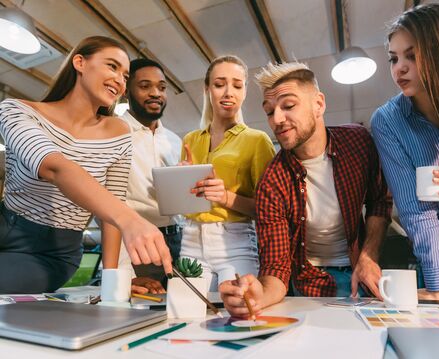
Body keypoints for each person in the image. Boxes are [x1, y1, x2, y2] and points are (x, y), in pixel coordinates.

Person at [0, 36, 172, 294]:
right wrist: (131, 221)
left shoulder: (119, 133)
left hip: (49, 251)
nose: (120, 81)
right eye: (112, 66)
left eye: (125, 76)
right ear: (79, 62)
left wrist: (114, 280)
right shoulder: (17, 110)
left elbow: (111, 206)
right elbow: (52, 167)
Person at [220, 62, 392, 318]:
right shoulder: (272, 180)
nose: (277, 119)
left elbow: (379, 200)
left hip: (359, 272)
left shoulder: (357, 142)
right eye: (269, 111)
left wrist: (369, 256)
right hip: (307, 282)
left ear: (319, 104)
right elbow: (276, 267)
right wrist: (258, 297)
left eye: (288, 106)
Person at [370, 4, 439, 298]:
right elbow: (415, 211)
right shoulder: (387, 121)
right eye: (394, 58)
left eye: (412, 56)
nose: (399, 68)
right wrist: (438, 284)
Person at [180, 55, 275, 291]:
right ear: (207, 89)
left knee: (241, 315)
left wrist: (225, 197)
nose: (228, 92)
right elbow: (184, 204)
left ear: (244, 92)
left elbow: (269, 211)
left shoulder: (257, 141)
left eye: (237, 85)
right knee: (185, 314)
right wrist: (181, 186)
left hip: (235, 242)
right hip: (190, 239)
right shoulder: (190, 140)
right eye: (219, 84)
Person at [116, 58, 182, 294]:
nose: (156, 93)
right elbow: (105, 207)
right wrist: (124, 272)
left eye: (162, 87)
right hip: (137, 245)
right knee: (140, 315)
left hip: (179, 242)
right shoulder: (113, 132)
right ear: (126, 91)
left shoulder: (175, 140)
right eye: (145, 86)